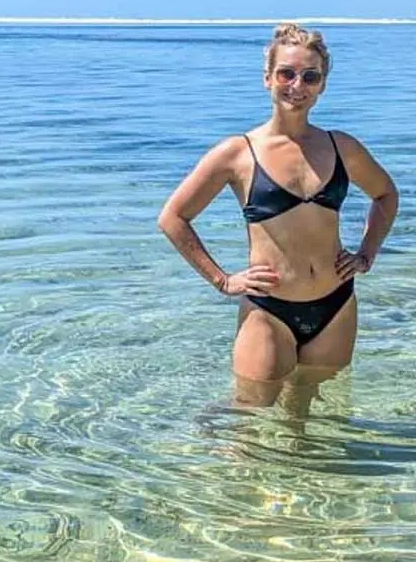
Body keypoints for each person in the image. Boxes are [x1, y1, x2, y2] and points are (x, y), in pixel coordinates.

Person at [158, 22, 399, 398]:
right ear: (267, 78)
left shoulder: (342, 148)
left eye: (310, 76)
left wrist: (367, 253)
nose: (297, 86)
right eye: (286, 73)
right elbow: (173, 217)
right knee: (249, 421)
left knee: (307, 420)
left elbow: (386, 195)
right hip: (268, 310)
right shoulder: (237, 153)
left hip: (336, 306)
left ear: (323, 84)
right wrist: (222, 280)